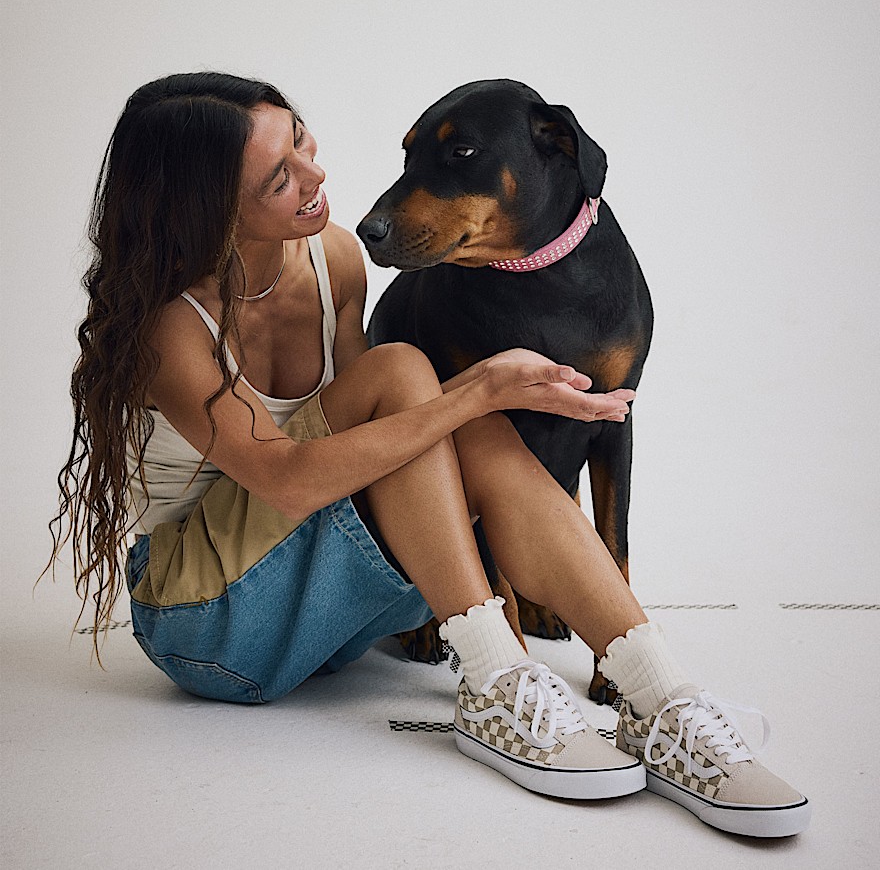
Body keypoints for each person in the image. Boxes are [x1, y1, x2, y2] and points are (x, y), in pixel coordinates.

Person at [51, 72, 809, 837]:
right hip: (210, 627)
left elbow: (378, 440)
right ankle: (494, 681)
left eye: (303, 139)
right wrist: (473, 392)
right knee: (419, 377)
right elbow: (285, 477)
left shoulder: (332, 259)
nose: (317, 173)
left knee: (438, 406)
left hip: (330, 616)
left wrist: (469, 408)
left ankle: (661, 695)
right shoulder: (172, 330)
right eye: (281, 176)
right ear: (206, 208)